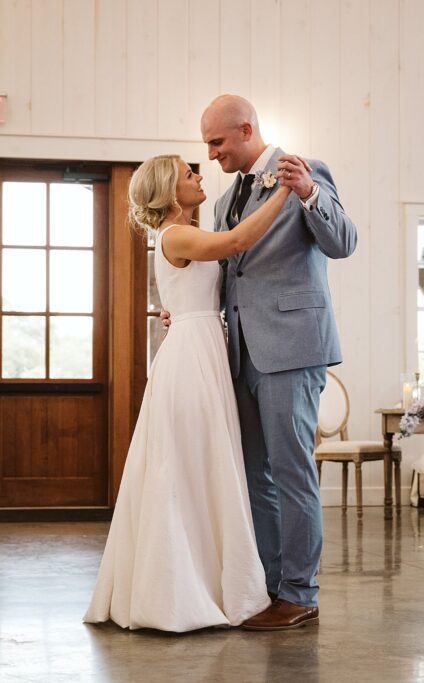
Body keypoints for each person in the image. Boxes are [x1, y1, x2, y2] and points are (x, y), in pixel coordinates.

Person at [83, 153, 300, 632]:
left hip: (200, 344)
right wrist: (286, 190)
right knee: (189, 465)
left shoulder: (179, 234)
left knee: (200, 465)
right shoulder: (178, 233)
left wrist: (179, 311)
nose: (200, 177)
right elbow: (239, 240)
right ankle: (179, 589)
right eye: (189, 174)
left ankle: (202, 577)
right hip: (192, 358)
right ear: (168, 189)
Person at [198, 94, 358, 630]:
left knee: (291, 472)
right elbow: (230, 276)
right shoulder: (225, 205)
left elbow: (343, 243)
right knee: (253, 475)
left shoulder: (305, 173)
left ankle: (300, 591)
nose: (213, 154)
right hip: (240, 353)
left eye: (218, 142)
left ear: (246, 129)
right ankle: (269, 587)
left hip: (291, 347)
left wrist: (309, 193)